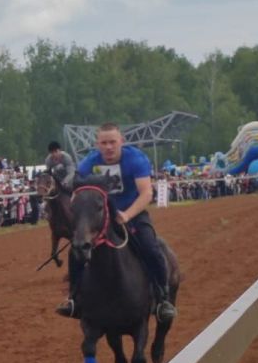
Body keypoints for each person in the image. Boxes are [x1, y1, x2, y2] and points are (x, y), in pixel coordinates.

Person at [56, 122, 177, 323]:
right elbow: (76, 189)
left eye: (112, 142)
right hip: (101, 218)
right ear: (97, 144)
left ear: (121, 141)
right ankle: (74, 299)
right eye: (104, 143)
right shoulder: (89, 162)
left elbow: (146, 193)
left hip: (132, 213)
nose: (108, 147)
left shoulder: (136, 159)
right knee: (75, 250)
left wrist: (127, 215)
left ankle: (163, 298)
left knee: (150, 247)